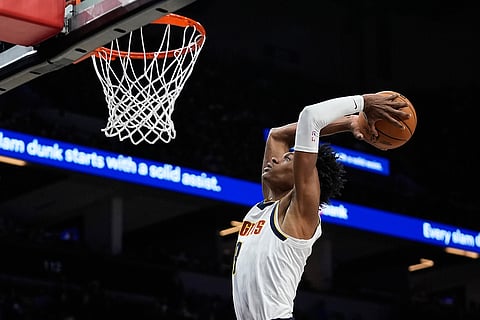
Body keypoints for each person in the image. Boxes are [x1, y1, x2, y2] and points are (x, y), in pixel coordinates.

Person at [231, 92, 411, 320]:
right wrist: (349, 123)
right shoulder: (268, 207)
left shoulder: (299, 213)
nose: (275, 159)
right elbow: (277, 136)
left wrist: (364, 102)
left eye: (288, 159)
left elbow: (310, 116)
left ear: (301, 178)